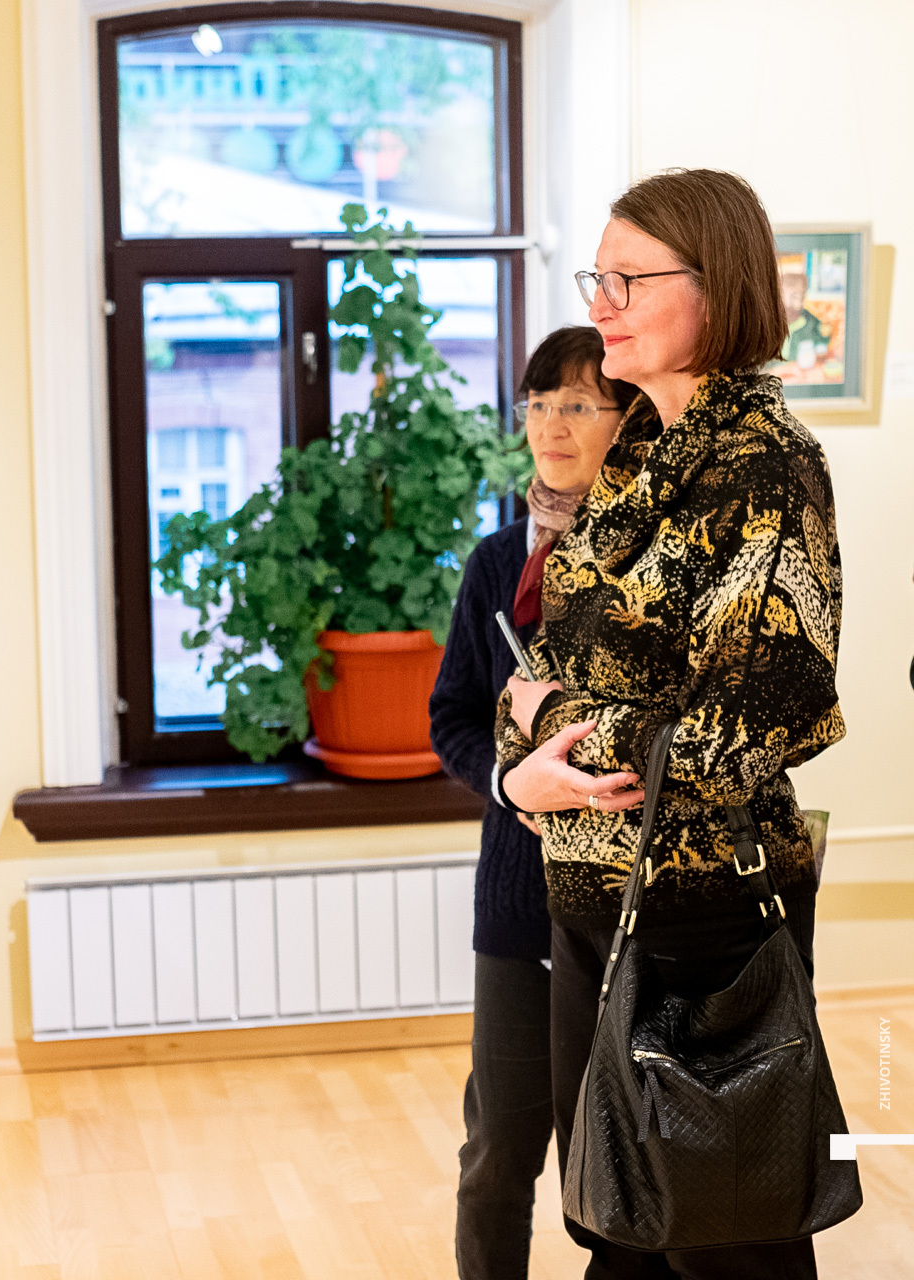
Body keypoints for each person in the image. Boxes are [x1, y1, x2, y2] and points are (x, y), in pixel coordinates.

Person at [499, 168, 842, 1279]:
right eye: (595, 277)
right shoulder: (638, 454)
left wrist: (558, 727)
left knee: (728, 1247)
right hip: (588, 898)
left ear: (716, 285)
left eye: (629, 279)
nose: (602, 303)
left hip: (701, 916)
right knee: (617, 1228)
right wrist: (521, 775)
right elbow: (537, 668)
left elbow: (748, 726)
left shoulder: (768, 468)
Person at [433, 326, 639, 1279]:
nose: (551, 426)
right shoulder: (495, 564)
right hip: (518, 901)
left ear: (626, 420)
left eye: (578, 405)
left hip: (625, 901)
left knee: (618, 1161)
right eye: (539, 404)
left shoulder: (649, 561)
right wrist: (510, 781)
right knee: (497, 1154)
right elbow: (452, 716)